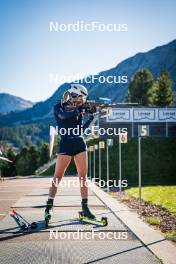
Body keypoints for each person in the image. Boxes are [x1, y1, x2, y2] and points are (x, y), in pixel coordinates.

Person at [45, 84, 95, 222]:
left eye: (83, 99)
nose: (82, 101)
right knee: (58, 177)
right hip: (65, 144)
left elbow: (79, 130)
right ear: (74, 95)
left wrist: (90, 119)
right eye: (81, 98)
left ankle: (85, 208)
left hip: (79, 143)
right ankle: (49, 206)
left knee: (83, 177)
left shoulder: (78, 108)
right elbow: (64, 116)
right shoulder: (59, 107)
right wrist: (80, 110)